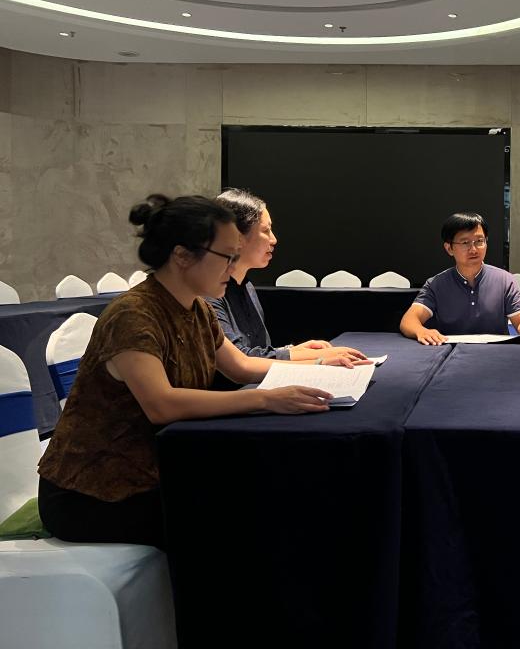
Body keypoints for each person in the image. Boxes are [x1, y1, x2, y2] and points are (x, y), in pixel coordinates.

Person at [38, 194, 353, 549]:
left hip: (158, 470)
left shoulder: (197, 309)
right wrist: (266, 399)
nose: (233, 266)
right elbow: (162, 404)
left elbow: (240, 367)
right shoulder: (134, 314)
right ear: (182, 256)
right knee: (245, 516)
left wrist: (317, 368)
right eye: (227, 256)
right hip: (93, 491)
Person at [209, 188, 366, 364]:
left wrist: (293, 351)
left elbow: (256, 351)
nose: (273, 239)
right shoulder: (209, 293)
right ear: (237, 237)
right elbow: (241, 361)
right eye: (266, 230)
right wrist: (318, 360)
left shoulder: (246, 285)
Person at [400, 212, 520, 345]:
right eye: (465, 243)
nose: (473, 249)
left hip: (496, 353)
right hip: (450, 353)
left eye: (479, 241)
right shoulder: (436, 284)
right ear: (449, 248)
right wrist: (421, 331)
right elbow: (409, 320)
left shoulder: (505, 280)